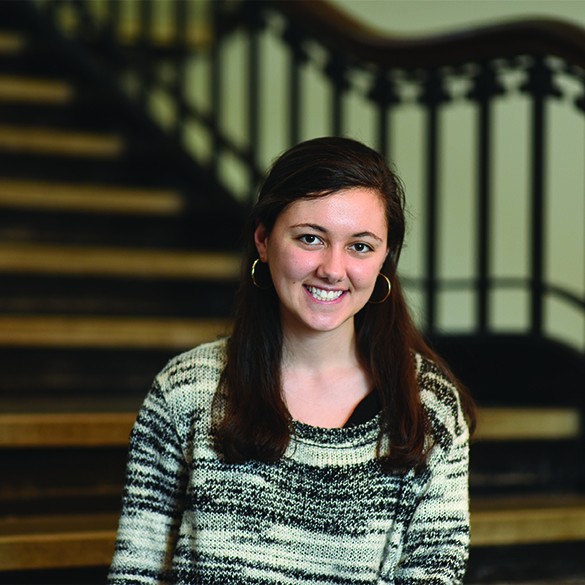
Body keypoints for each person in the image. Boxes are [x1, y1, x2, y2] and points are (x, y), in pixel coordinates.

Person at [108, 136, 476, 585]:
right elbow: (135, 572)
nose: (333, 269)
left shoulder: (428, 404)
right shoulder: (185, 389)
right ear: (263, 239)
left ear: (385, 259)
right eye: (310, 238)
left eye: (360, 246)